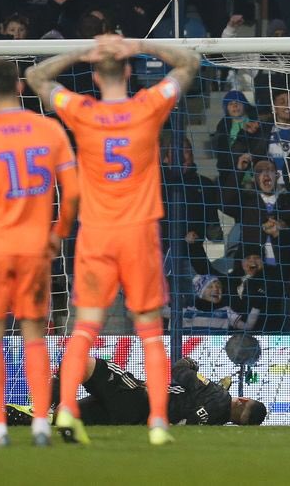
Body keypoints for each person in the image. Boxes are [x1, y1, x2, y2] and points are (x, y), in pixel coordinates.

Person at [25, 33, 201, 447]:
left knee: (84, 328)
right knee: (150, 331)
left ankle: (66, 407)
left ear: (94, 73)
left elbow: (35, 76)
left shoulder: (82, 110)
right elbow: (189, 63)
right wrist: (140, 45)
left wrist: (79, 52)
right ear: (127, 70)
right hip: (139, 232)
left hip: (97, 233)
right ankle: (158, 421)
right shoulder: (147, 105)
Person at [0, 59, 79, 449]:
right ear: (21, 86)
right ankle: (41, 425)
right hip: (34, 249)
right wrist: (57, 232)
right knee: (34, 335)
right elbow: (71, 193)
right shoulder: (50, 130)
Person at [0, 355, 266, 430]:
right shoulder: (214, 424)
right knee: (65, 419)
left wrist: (190, 365)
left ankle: (39, 408)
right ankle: (6, 417)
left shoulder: (220, 396)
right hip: (132, 420)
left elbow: (182, 370)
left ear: (242, 400)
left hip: (138, 399)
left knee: (80, 361)